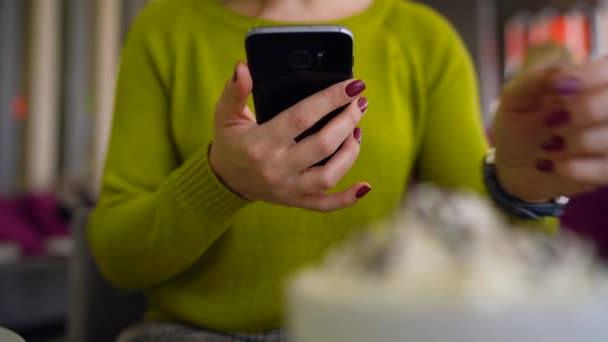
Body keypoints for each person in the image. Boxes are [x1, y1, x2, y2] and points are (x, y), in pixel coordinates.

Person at [88, 0, 608, 340]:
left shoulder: (422, 39)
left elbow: (483, 268)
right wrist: (218, 181)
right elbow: (118, 256)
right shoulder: (164, 28)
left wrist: (518, 181)